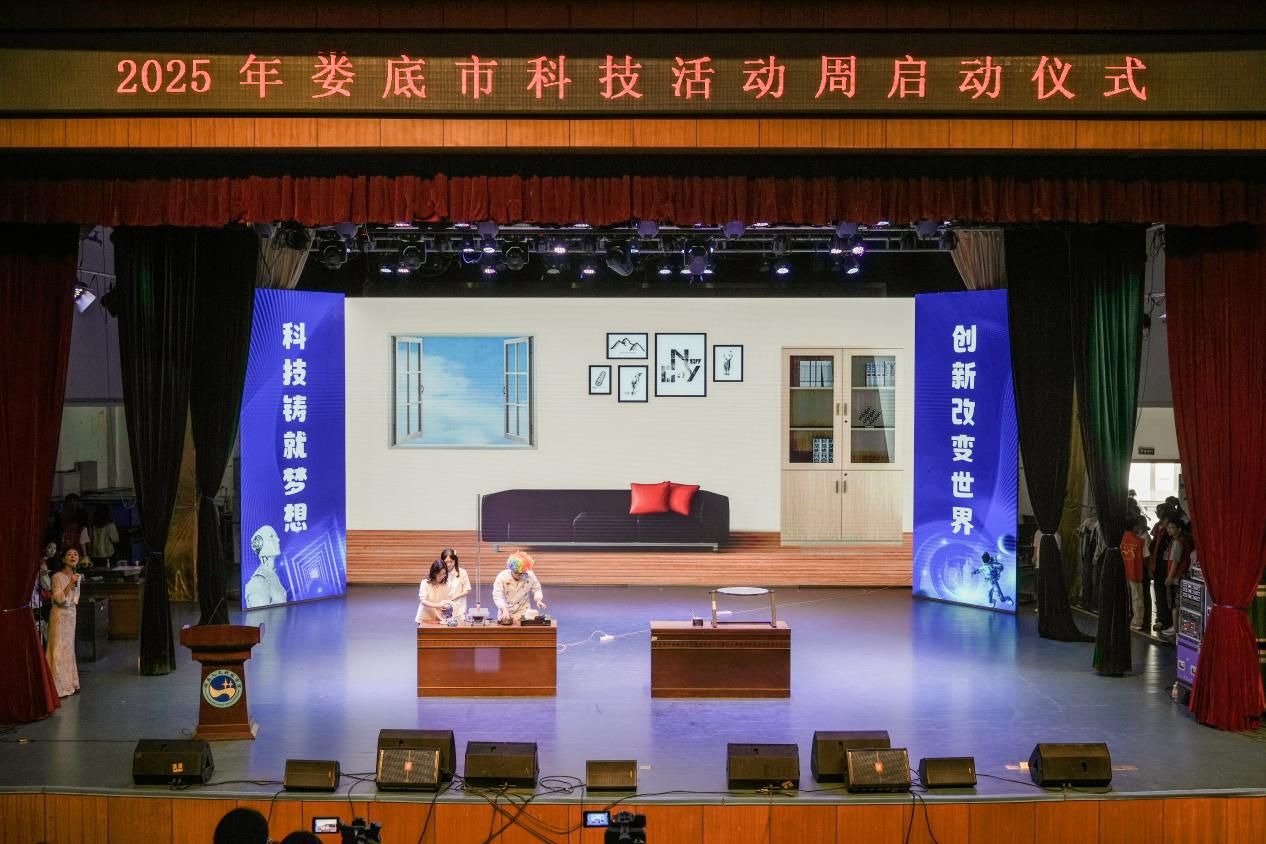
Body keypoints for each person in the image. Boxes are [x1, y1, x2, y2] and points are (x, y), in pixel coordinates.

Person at [46, 548, 82, 697]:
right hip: (59, 615)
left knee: (68, 649)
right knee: (57, 649)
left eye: (76, 554)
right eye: (69, 554)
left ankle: (70, 683)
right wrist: (70, 583)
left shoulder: (78, 576)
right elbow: (59, 599)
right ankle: (57, 687)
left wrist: (74, 582)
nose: (73, 556)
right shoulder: (56, 577)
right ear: (63, 559)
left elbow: (75, 598)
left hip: (71, 615)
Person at [492, 551, 546, 622]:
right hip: (506, 611)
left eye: (522, 573)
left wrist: (538, 600)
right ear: (511, 569)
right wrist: (504, 608)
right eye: (516, 573)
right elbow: (497, 596)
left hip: (524, 611)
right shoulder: (502, 577)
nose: (519, 575)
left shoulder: (529, 575)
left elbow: (537, 589)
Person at [1161, 519, 1193, 638]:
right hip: (1182, 576)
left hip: (1176, 577)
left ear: (1179, 529)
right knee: (1178, 603)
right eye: (1168, 527)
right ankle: (1177, 627)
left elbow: (1175, 561)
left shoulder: (1177, 542)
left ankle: (1175, 628)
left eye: (1172, 527)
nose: (1169, 529)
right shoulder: (1184, 540)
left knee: (1175, 604)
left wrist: (1170, 577)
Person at [245, 525, 288, 608]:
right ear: (259, 544)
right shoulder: (258, 582)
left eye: (276, 536)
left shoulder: (273, 574)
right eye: (271, 536)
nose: (278, 540)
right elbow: (261, 614)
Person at [1121, 515, 1147, 630]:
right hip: (1135, 572)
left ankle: (1123, 617)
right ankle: (1137, 621)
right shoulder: (1140, 542)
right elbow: (1146, 557)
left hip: (1122, 572)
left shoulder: (1119, 539)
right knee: (1137, 598)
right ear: (1134, 527)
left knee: (1123, 596)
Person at [416, 559, 453, 625]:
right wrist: (437, 605)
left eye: (444, 574)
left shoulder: (448, 584)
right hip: (425, 618)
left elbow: (448, 601)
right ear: (433, 572)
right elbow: (423, 601)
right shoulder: (425, 583)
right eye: (439, 574)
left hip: (440, 618)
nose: (441, 576)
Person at [441, 547, 471, 618]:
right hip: (443, 607)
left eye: (451, 561)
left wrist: (455, 597)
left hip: (459, 607)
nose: (449, 564)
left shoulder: (462, 572)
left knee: (458, 622)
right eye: (446, 562)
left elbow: (467, 590)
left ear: (455, 561)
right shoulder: (440, 573)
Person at [59, 494, 89, 558]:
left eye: (74, 501)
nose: (72, 503)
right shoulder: (63, 515)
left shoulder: (80, 516)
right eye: (70, 501)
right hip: (74, 552)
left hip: (70, 551)